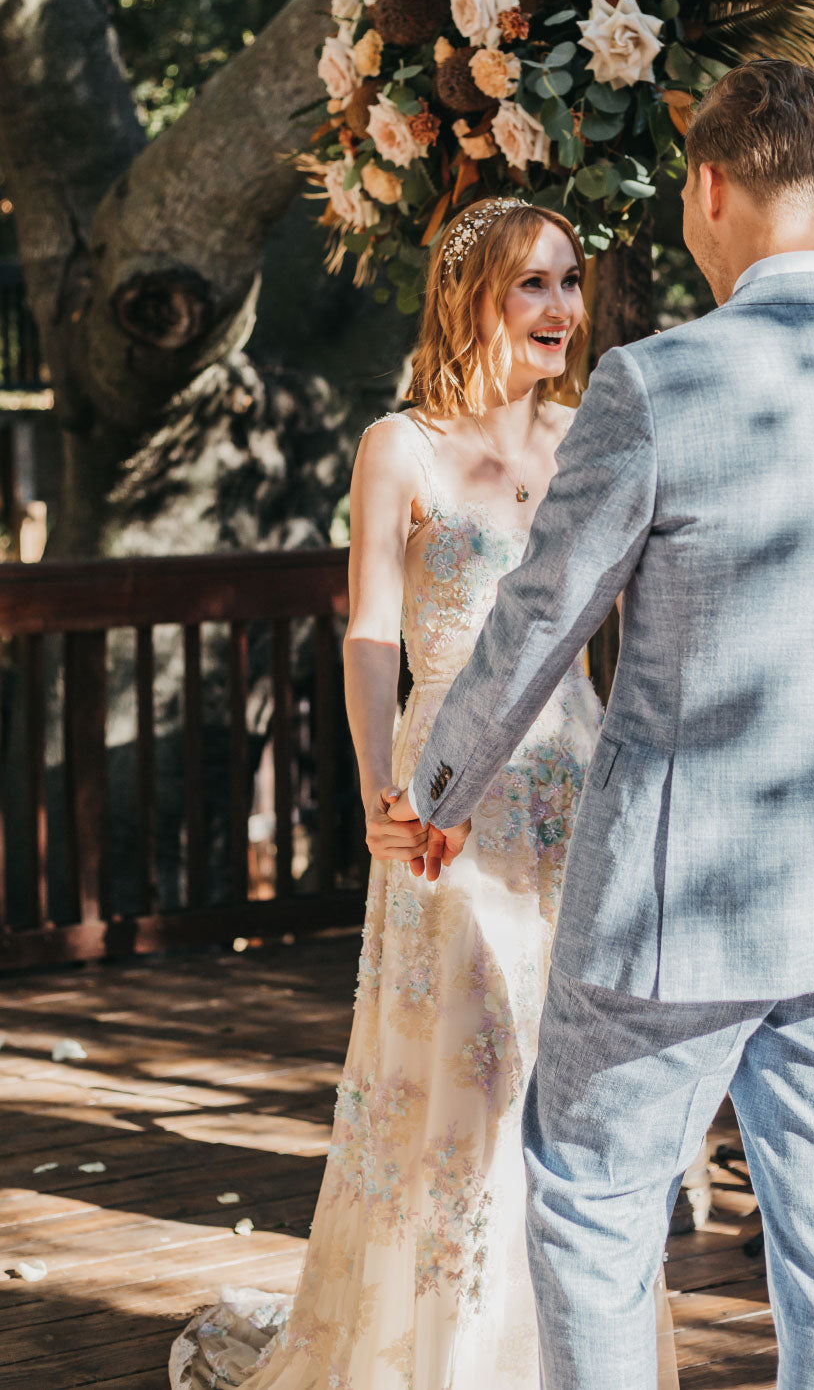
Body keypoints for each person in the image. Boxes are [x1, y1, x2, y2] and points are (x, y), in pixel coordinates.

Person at [387, 59, 814, 1390]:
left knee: (598, 1204)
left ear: (706, 188)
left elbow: (540, 617)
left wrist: (434, 784)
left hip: (675, 897)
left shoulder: (657, 385)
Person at [169, 196, 679, 1390]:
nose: (563, 307)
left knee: (567, 1069)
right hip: (446, 795)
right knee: (464, 1072)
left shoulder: (589, 439)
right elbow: (373, 635)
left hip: (573, 786)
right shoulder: (399, 445)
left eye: (568, 282)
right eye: (534, 285)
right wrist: (375, 787)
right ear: (473, 297)